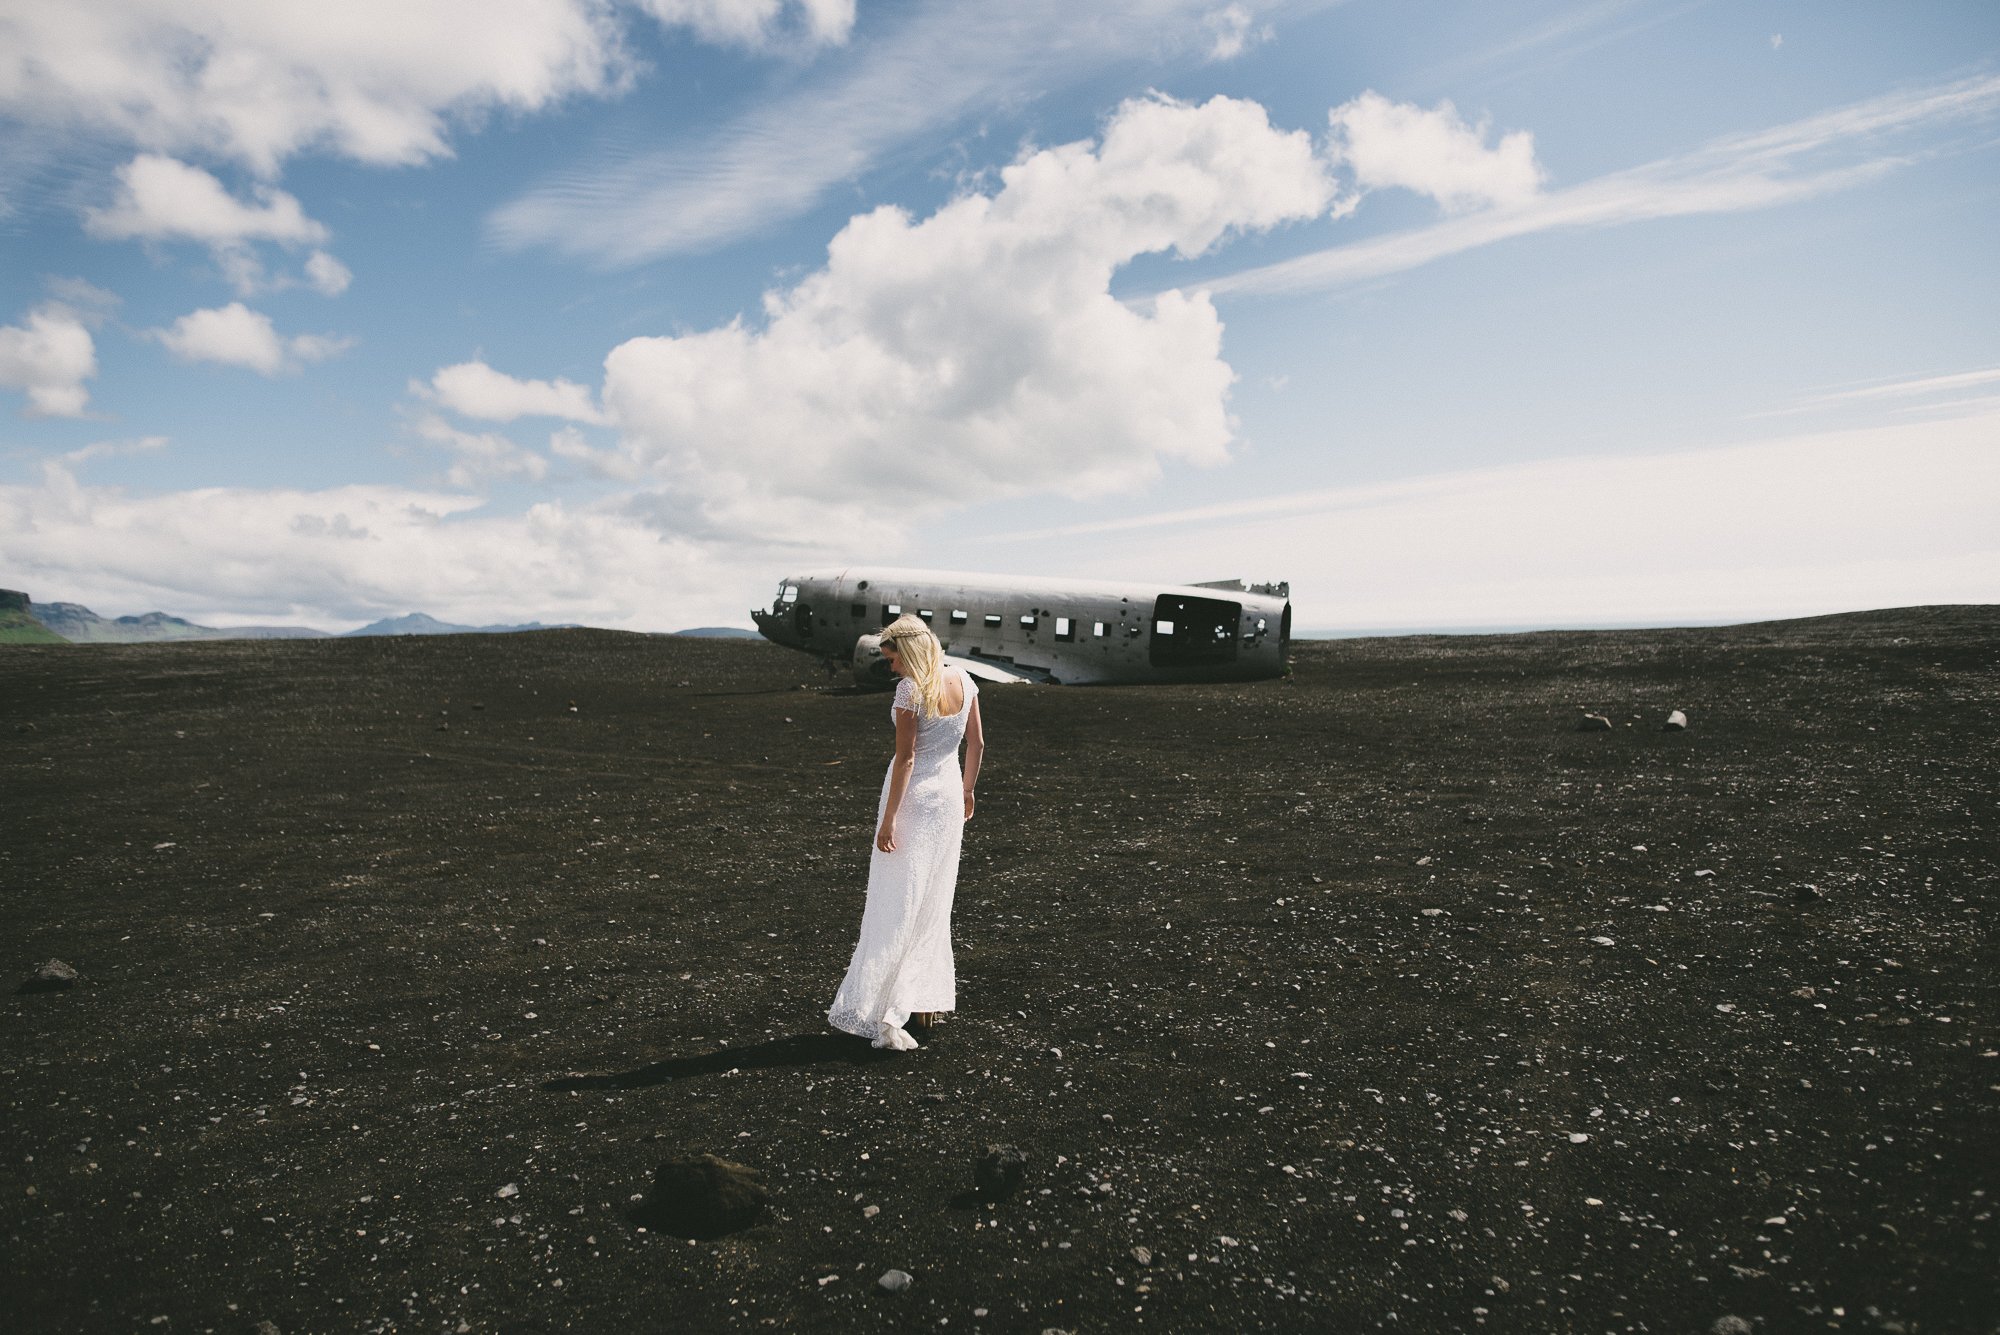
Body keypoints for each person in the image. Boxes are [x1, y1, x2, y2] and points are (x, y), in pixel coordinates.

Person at [827, 615, 984, 1050]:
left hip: (915, 802)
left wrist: (889, 818)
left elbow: (906, 760)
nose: (891, 668)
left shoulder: (911, 690)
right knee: (933, 898)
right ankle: (921, 1003)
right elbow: (977, 743)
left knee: (896, 902)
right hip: (949, 798)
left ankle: (887, 1006)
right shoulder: (964, 680)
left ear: (909, 654)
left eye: (892, 659)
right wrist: (968, 789)